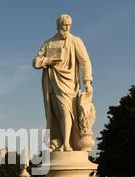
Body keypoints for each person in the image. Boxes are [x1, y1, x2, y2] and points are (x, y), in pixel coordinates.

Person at [33, 14, 93, 152]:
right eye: (64, 25)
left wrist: (87, 81)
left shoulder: (75, 41)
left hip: (69, 84)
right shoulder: (49, 43)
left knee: (66, 111)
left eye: (69, 25)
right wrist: (47, 61)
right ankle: (60, 140)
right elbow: (35, 62)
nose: (67, 28)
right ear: (58, 25)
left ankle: (66, 143)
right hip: (52, 86)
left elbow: (85, 62)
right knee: (58, 115)